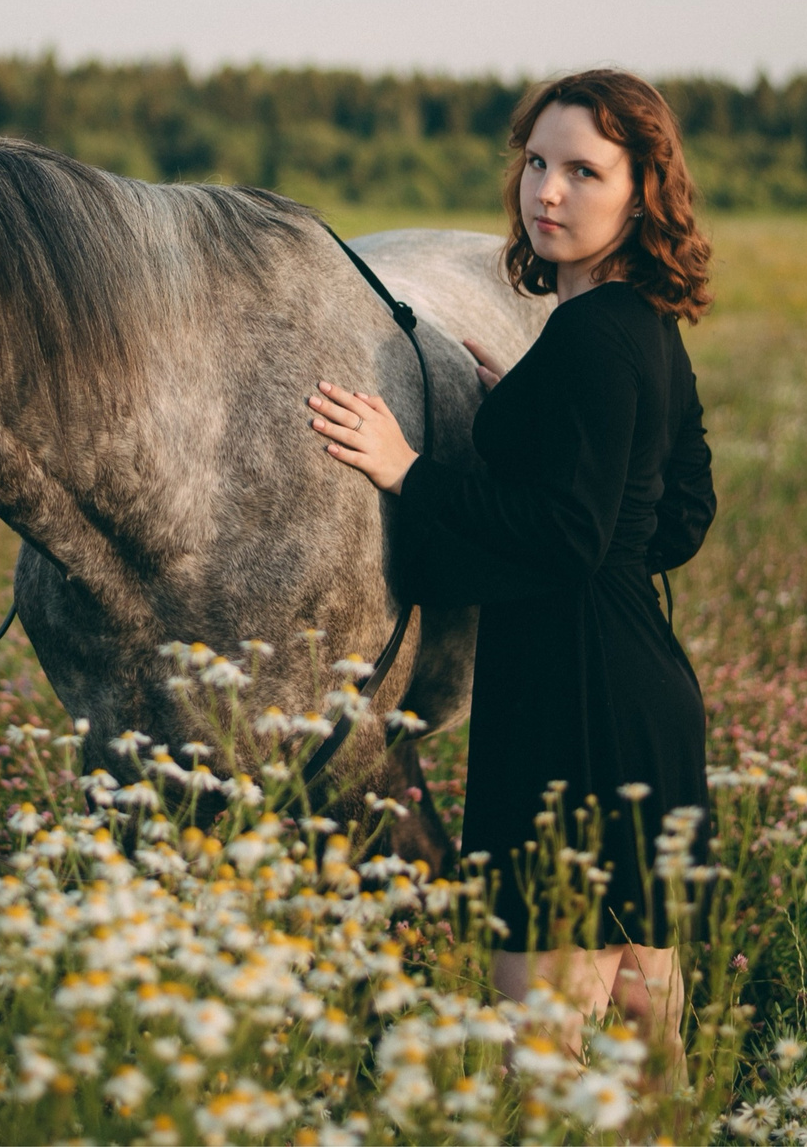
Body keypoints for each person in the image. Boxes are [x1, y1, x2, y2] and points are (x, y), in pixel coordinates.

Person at [306, 68, 716, 1054]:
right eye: (536, 162)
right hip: (646, 698)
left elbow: (567, 534)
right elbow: (679, 514)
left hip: (564, 712)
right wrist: (534, 424)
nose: (547, 192)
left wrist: (408, 470)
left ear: (642, 190)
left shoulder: (587, 336)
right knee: (646, 1057)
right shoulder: (644, 321)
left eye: (584, 170)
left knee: (544, 1060)